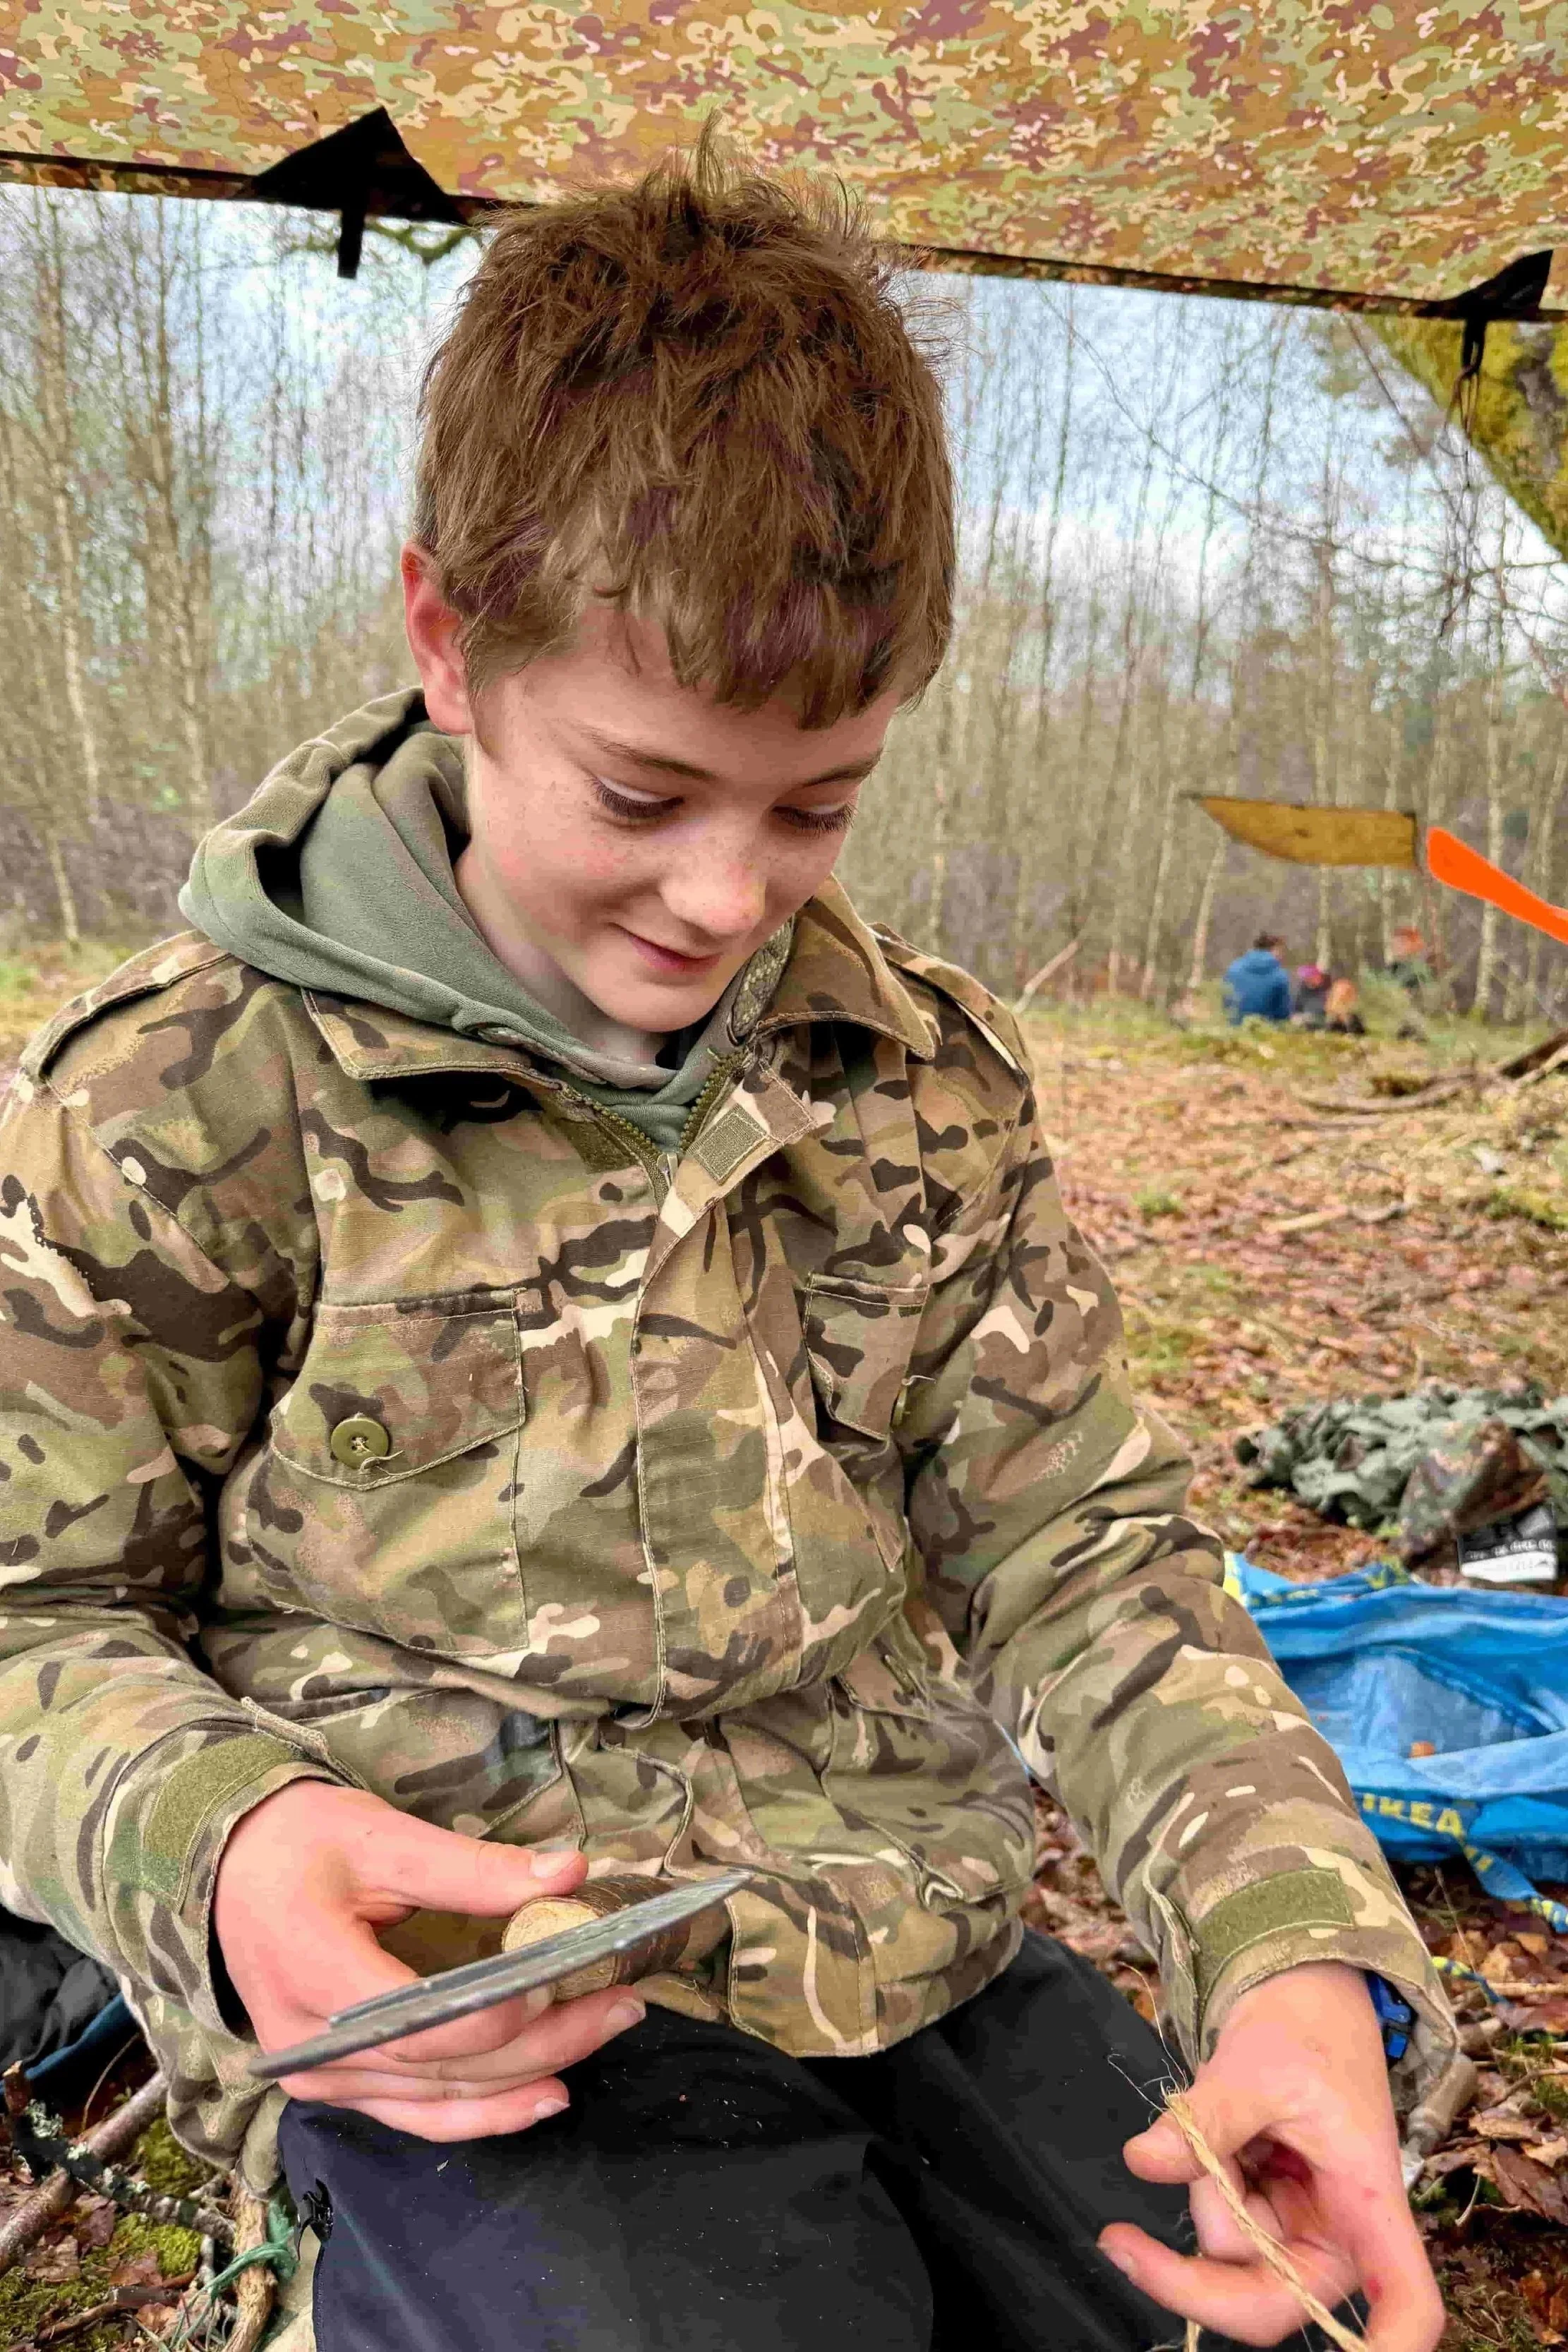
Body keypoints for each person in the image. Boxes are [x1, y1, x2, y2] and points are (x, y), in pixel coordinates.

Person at [0, 143, 1454, 2352]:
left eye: (815, 803)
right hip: (494, 2022)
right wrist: (221, 1841)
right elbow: (31, 1611)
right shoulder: (189, 1094)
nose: (723, 898)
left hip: (914, 1947)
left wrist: (1286, 1954)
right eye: (645, 794)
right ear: (445, 642)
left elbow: (1086, 1552)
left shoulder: (916, 1075)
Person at [1222, 933, 1293, 1024]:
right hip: (1264, 1030)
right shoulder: (1280, 975)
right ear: (1275, 950)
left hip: (1233, 1028)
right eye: (1281, 951)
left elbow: (1226, 998)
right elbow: (1283, 1013)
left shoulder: (1234, 967)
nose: (1282, 956)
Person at [1293, 963, 1330, 1027]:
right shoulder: (1301, 991)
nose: (1307, 981)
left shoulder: (1326, 992)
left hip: (1321, 1021)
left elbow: (1326, 1011)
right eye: (1306, 979)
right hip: (1304, 1020)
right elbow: (1297, 1009)